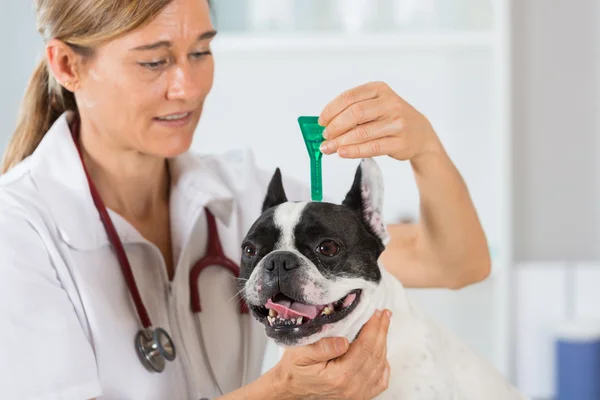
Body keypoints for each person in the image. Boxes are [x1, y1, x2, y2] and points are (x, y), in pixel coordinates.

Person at [0, 0, 491, 399]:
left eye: (201, 52)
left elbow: (456, 263)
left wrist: (425, 148)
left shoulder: (246, 197)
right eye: (154, 60)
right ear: (67, 65)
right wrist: (281, 392)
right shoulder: (20, 229)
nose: (187, 87)